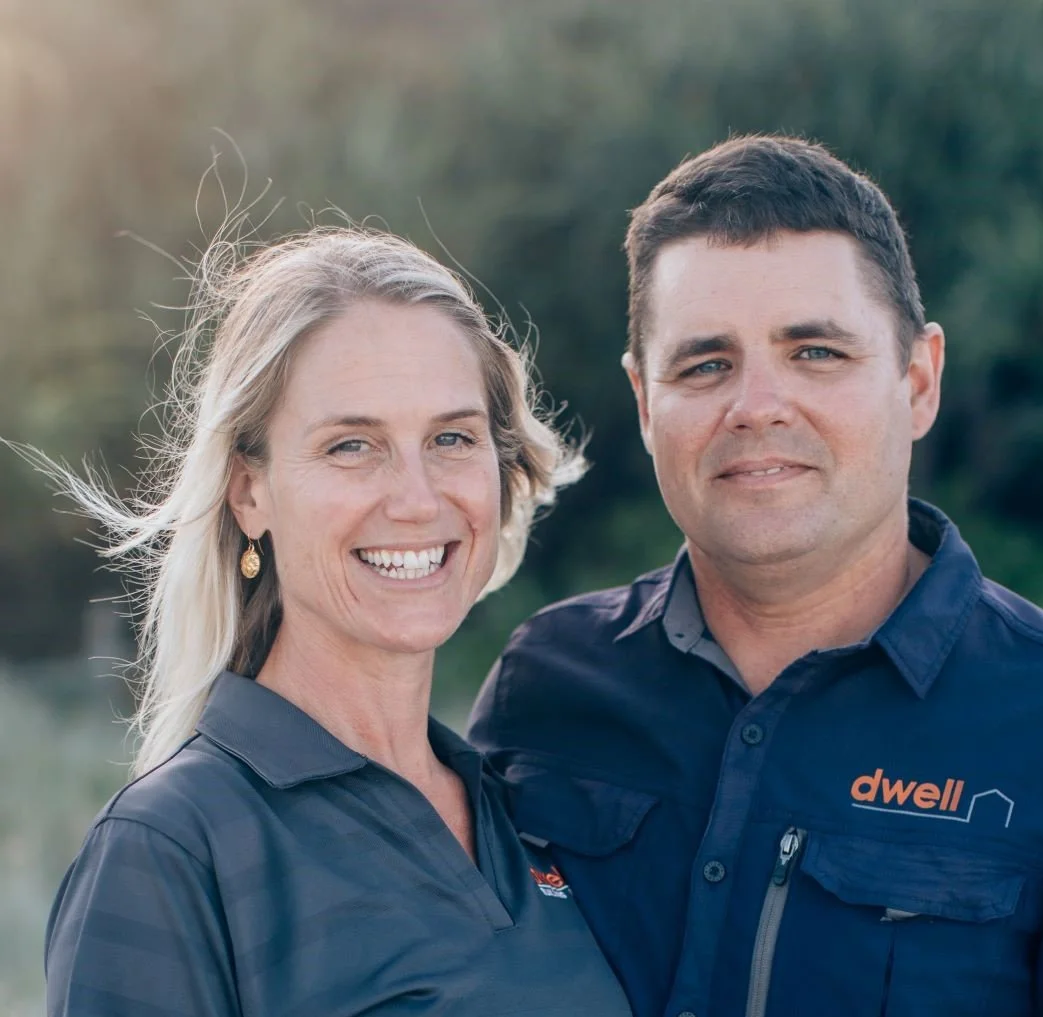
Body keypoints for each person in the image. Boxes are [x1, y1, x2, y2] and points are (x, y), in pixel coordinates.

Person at [468, 135, 1043, 1017]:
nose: (756, 406)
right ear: (645, 403)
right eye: (705, 363)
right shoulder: (545, 689)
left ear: (918, 379)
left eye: (816, 353)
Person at [30, 226, 632, 1016]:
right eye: (353, 445)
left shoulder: (528, 808)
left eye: (451, 437)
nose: (417, 498)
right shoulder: (170, 851)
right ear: (250, 492)